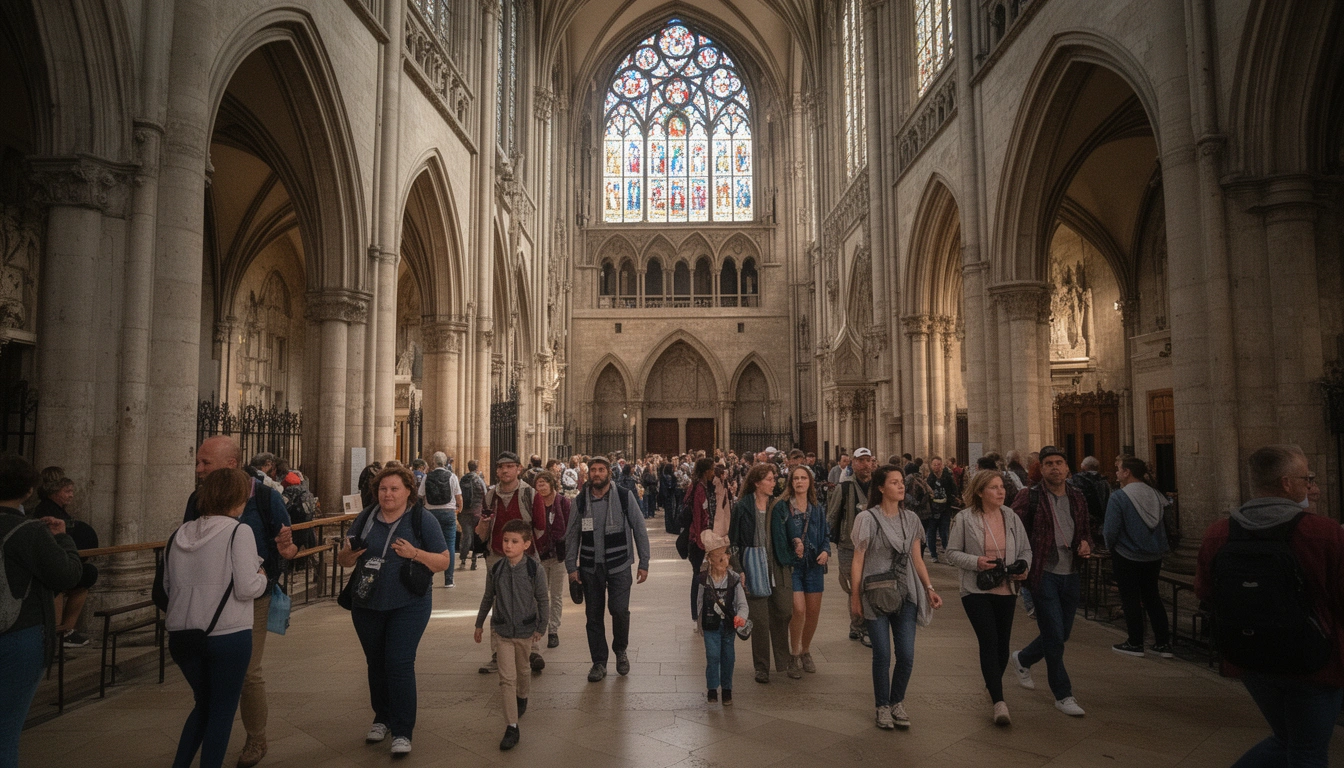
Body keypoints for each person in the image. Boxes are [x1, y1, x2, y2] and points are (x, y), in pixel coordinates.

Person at [1195, 444, 1344, 768]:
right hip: (1313, 661)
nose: (1310, 484)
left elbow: (1205, 592)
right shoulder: (1323, 533)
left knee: (1287, 739)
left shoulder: (1218, 533)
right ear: (1287, 483)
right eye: (1307, 477)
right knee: (1307, 750)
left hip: (1250, 657)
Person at [183, 436, 296, 768]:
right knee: (208, 673)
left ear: (230, 464)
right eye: (199, 461)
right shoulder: (197, 498)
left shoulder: (263, 498)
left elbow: (289, 546)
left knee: (248, 671)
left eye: (206, 462)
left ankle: (256, 738)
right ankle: (209, 726)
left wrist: (286, 551)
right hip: (205, 598)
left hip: (252, 599)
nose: (199, 468)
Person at [337, 465, 450, 756]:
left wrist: (415, 553)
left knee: (398, 662)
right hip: (367, 602)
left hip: (409, 603)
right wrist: (348, 555)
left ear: (409, 491)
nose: (388, 494)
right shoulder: (366, 518)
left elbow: (443, 561)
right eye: (383, 489)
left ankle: (402, 730)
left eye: (394, 489)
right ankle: (382, 717)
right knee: (376, 662)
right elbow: (345, 561)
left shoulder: (421, 519)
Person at [163, 468, 270, 768]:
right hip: (227, 634)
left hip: (183, 635)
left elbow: (167, 588)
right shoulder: (239, 531)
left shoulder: (178, 534)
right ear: (239, 499)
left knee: (204, 705)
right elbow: (248, 587)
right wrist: (262, 577)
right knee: (222, 710)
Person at [0, 455, 83, 768]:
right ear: (28, 491)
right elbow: (67, 575)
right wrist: (63, 539)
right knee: (5, 730)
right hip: (18, 635)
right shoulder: (28, 531)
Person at [849, 464, 941, 730]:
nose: (901, 486)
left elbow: (917, 559)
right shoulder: (867, 519)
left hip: (906, 593)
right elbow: (858, 560)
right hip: (876, 594)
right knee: (882, 654)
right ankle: (882, 706)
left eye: (902, 482)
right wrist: (855, 597)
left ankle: (897, 700)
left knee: (907, 655)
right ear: (880, 487)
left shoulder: (911, 519)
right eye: (894, 482)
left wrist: (929, 588)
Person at [1009, 445, 1093, 718]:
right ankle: (1063, 694)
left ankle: (1023, 658)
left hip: (1071, 572)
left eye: (1059, 462)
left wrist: (1085, 543)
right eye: (1048, 464)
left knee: (1062, 633)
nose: (1055, 467)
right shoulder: (1029, 497)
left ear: (1068, 468)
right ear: (1041, 469)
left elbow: (1085, 530)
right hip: (1043, 573)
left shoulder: (1078, 496)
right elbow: (1014, 532)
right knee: (1055, 635)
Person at [945, 471, 1032, 725]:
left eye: (1002, 487)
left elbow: (1026, 548)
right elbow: (952, 553)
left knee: (1003, 645)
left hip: (1006, 587)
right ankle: (999, 701)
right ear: (980, 492)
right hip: (976, 589)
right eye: (994, 488)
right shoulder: (965, 518)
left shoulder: (1011, 516)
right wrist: (976, 562)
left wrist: (1024, 564)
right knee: (989, 640)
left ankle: (991, 684)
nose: (1001, 491)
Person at [564, 456, 650, 682]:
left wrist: (644, 562)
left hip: (620, 563)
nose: (597, 474)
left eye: (601, 470)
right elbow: (572, 535)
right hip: (591, 567)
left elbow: (639, 529)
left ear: (609, 474)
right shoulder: (581, 501)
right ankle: (598, 662)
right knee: (593, 616)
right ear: (588, 473)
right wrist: (571, 567)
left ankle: (620, 650)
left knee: (619, 610)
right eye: (593, 470)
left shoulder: (623, 496)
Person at [474, 519, 549, 751]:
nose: (508, 545)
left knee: (523, 669)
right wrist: (479, 624)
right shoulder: (496, 569)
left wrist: (541, 626)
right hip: (503, 630)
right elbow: (488, 597)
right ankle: (512, 726)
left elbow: (543, 599)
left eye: (514, 541)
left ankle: (523, 695)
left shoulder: (533, 569)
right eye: (505, 540)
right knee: (507, 678)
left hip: (526, 631)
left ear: (526, 544)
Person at [728, 463, 793, 683]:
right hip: (753, 565)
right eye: (769, 479)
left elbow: (789, 530)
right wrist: (738, 568)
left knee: (784, 611)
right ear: (757, 482)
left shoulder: (779, 505)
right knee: (760, 620)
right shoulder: (743, 506)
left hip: (777, 564)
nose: (774, 482)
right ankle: (762, 667)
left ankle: (783, 659)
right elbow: (734, 539)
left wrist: (795, 543)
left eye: (774, 479)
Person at [1103, 456, 1172, 658]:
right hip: (1154, 555)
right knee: (1152, 597)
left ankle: (1135, 643)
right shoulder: (1156, 495)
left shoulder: (1119, 497)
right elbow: (1166, 525)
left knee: (1130, 598)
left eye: (1118, 469)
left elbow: (1110, 530)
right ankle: (1163, 644)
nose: (1116, 473)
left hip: (1127, 554)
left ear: (1127, 472)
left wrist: (1111, 547)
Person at [475, 452, 538, 674]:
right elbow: (481, 530)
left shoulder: (529, 493)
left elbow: (539, 527)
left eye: (510, 466)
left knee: (527, 600)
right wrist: (482, 525)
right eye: (501, 467)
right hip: (497, 556)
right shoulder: (490, 495)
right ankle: (497, 655)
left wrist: (532, 554)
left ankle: (531, 648)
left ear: (518, 469)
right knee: (497, 602)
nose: (505, 471)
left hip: (524, 556)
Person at [33, 474, 98, 648]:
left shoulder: (59, 510)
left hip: (64, 562)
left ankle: (67, 629)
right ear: (54, 492)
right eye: (67, 491)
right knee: (59, 581)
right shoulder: (47, 511)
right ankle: (56, 632)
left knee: (88, 574)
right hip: (51, 565)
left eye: (72, 491)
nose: (71, 495)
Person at [778, 465, 829, 678]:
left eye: (803, 478)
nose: (800, 482)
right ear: (791, 482)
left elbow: (826, 535)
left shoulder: (817, 508)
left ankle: (806, 649)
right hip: (793, 566)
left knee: (813, 612)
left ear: (810, 482)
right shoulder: (784, 507)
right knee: (798, 610)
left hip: (814, 565)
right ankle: (794, 652)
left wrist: (826, 551)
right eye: (796, 478)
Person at [827, 447, 876, 646]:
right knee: (854, 587)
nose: (865, 465)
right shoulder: (844, 487)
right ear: (853, 463)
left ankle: (863, 627)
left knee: (870, 586)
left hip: (873, 545)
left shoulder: (878, 486)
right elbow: (832, 515)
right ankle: (858, 625)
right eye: (861, 461)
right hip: (849, 545)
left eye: (868, 460)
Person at [692, 539, 748, 705]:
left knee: (728, 657)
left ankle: (727, 688)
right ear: (711, 560)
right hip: (710, 625)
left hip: (729, 626)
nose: (726, 559)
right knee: (713, 655)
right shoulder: (704, 580)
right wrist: (700, 624)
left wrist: (742, 616)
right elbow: (700, 603)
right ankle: (712, 687)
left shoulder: (734, 579)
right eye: (721, 557)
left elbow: (742, 603)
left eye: (727, 555)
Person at [530, 470, 570, 649]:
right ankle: (539, 628)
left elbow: (570, 527)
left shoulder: (563, 502)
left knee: (556, 595)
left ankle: (553, 630)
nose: (541, 487)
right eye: (538, 484)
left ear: (551, 484)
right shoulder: (533, 503)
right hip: (539, 555)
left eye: (544, 483)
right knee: (539, 594)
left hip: (558, 555)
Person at [420, 452, 463, 588]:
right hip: (448, 512)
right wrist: (459, 508)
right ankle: (449, 580)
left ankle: (428, 578)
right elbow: (458, 496)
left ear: (433, 462)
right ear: (445, 463)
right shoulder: (452, 476)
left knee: (428, 545)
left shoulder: (427, 477)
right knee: (450, 544)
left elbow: (420, 495)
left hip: (430, 513)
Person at [685, 458, 718, 601]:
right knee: (698, 574)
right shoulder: (698, 488)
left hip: (702, 536)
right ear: (706, 471)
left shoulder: (705, 486)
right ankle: (695, 608)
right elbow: (698, 516)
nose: (714, 472)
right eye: (712, 469)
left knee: (700, 573)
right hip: (697, 538)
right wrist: (700, 542)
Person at [1070, 456, 1112, 543]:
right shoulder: (1104, 482)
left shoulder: (1076, 480)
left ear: (1083, 466)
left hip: (1082, 520)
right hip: (1102, 519)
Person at [925, 457, 957, 560]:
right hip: (932, 510)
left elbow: (953, 489)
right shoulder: (929, 479)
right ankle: (934, 554)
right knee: (932, 533)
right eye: (935, 465)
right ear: (931, 466)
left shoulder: (947, 477)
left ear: (942, 465)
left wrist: (954, 498)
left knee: (944, 532)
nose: (937, 467)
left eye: (939, 465)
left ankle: (947, 553)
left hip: (945, 509)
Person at [458, 460, 487, 571]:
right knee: (475, 535)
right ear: (477, 468)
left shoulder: (463, 479)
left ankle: (463, 559)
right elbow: (485, 493)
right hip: (476, 511)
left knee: (466, 535)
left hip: (464, 512)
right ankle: (474, 559)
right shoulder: (479, 479)